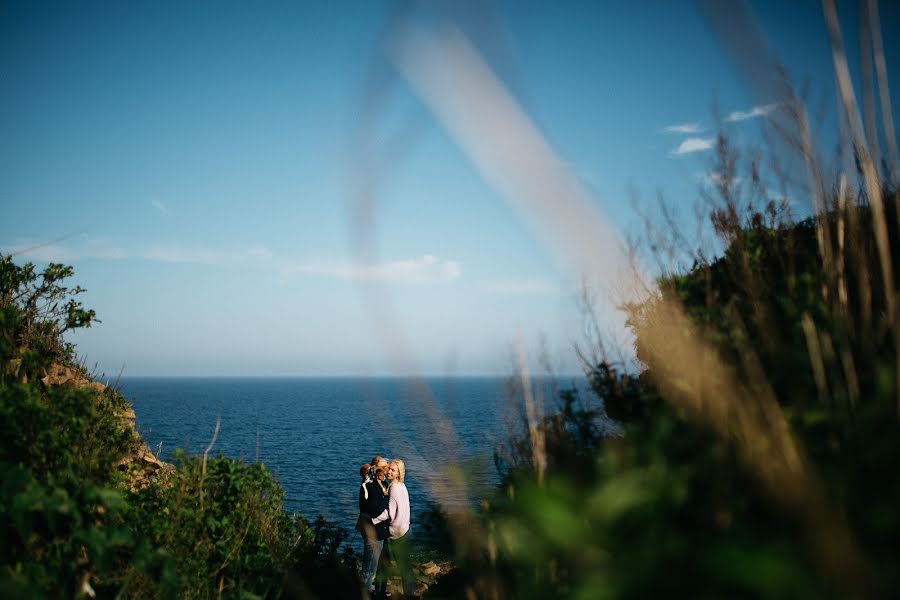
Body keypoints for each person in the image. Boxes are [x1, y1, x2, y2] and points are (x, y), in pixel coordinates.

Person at [373, 459, 413, 598]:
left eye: (393, 470)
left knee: (383, 565)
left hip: (395, 533)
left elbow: (389, 513)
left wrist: (373, 520)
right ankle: (409, 595)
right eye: (388, 468)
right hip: (406, 530)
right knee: (406, 568)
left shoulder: (394, 488)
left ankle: (379, 594)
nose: (389, 471)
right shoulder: (402, 486)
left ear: (398, 473)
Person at [357, 455, 391, 596]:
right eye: (382, 467)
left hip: (381, 531)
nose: (385, 470)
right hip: (373, 532)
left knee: (380, 565)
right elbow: (374, 511)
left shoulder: (380, 484)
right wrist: (388, 497)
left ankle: (378, 592)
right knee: (369, 568)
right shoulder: (370, 487)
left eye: (386, 467)